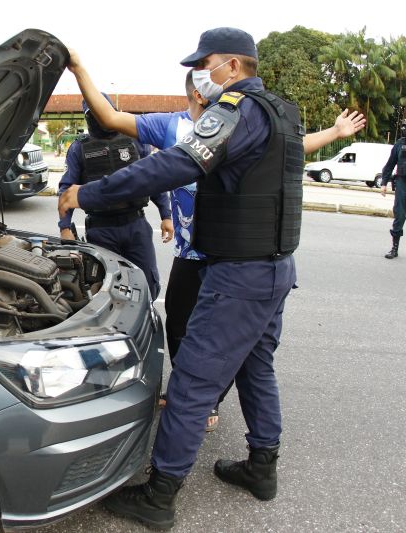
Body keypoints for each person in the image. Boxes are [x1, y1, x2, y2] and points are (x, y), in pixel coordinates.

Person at [58, 27, 359, 530]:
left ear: (234, 66)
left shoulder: (235, 111)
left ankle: (160, 495)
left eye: (207, 63)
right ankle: (262, 469)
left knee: (194, 381)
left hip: (239, 275)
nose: (201, 73)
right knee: (255, 369)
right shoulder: (282, 112)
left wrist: (84, 196)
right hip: (276, 269)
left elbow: (173, 166)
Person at [57, 94, 173, 301]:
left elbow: (152, 179)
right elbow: (66, 189)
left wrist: (166, 215)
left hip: (135, 224)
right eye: (94, 114)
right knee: (107, 289)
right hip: (101, 231)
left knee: (147, 284)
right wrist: (65, 228)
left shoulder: (135, 141)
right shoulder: (78, 149)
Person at [380, 128, 406, 259]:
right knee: (399, 215)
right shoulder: (399, 144)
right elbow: (390, 164)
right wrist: (384, 183)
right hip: (402, 184)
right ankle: (394, 248)